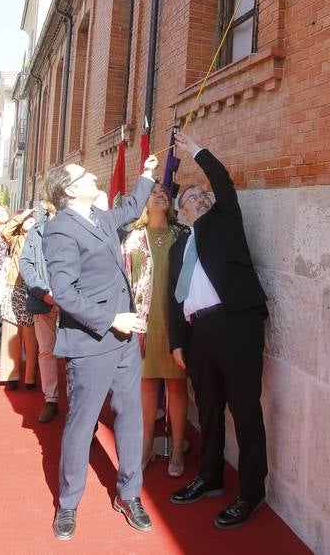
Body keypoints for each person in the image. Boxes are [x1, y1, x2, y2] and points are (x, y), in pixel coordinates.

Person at [43, 155, 158, 540]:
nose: (93, 174)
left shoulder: (99, 217)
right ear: (70, 189)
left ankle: (129, 493)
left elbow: (129, 208)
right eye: (83, 174)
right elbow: (64, 293)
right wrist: (111, 320)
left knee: (130, 417)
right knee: (82, 423)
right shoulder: (60, 229)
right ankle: (69, 503)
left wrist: (146, 175)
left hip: (124, 338)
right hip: (92, 340)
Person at [168, 131, 268, 529]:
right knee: (208, 410)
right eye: (190, 200)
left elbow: (222, 181)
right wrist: (178, 342)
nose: (199, 200)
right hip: (199, 335)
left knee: (244, 410)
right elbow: (173, 298)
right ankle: (209, 476)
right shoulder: (180, 245)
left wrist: (195, 151)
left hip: (236, 324)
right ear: (182, 214)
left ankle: (250, 492)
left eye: (202, 196)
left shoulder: (225, 220)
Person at [121, 182, 189, 476]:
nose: (161, 194)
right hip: (144, 322)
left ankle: (176, 447)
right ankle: (147, 444)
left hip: (175, 322)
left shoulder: (183, 236)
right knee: (147, 385)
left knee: (176, 384)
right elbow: (123, 282)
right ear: (142, 203)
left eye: (164, 191)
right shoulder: (133, 239)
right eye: (153, 192)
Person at [19, 198, 60, 422]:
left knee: (75, 353)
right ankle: (51, 399)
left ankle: (78, 403)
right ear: (46, 202)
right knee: (46, 351)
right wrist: (43, 292)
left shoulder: (76, 224)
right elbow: (25, 263)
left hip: (72, 302)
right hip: (43, 300)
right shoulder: (36, 229)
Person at [0, 208, 39, 390]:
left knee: (30, 336)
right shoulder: (15, 239)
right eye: (28, 221)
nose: (31, 223)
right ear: (21, 226)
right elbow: (5, 231)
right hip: (14, 287)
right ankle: (10, 375)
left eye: (33, 220)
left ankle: (30, 377)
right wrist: (22, 215)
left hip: (32, 290)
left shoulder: (40, 240)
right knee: (11, 332)